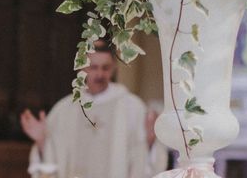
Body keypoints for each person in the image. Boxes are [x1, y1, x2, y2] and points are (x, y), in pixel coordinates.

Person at [20, 40, 168, 178]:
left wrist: (150, 142)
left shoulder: (133, 108)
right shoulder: (64, 110)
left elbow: (146, 163)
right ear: (82, 67)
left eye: (105, 68)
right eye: (93, 67)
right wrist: (42, 141)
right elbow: (49, 162)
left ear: (114, 67)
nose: (99, 74)